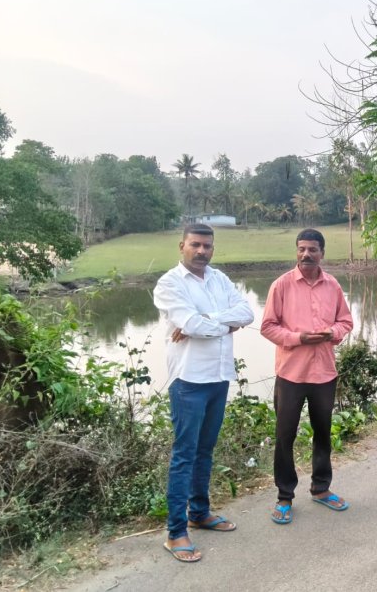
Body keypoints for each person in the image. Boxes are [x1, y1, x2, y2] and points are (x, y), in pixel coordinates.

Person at [153, 224, 254, 563]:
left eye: (207, 246)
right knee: (184, 454)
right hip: (189, 380)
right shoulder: (169, 284)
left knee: (205, 451)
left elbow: (247, 313)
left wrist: (210, 319)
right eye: (195, 245)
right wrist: (225, 324)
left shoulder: (220, 279)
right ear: (182, 245)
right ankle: (176, 532)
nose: (201, 251)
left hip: (219, 376)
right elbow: (189, 324)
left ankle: (200, 512)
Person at [260, 228, 354, 524]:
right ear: (296, 251)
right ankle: (285, 496)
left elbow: (346, 321)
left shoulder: (333, 285)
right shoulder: (282, 285)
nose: (306, 254)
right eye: (301, 249)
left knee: (323, 433)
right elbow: (268, 326)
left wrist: (332, 333)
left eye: (312, 249)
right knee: (284, 435)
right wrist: (299, 337)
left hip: (324, 373)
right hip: (291, 373)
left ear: (322, 253)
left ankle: (321, 488)